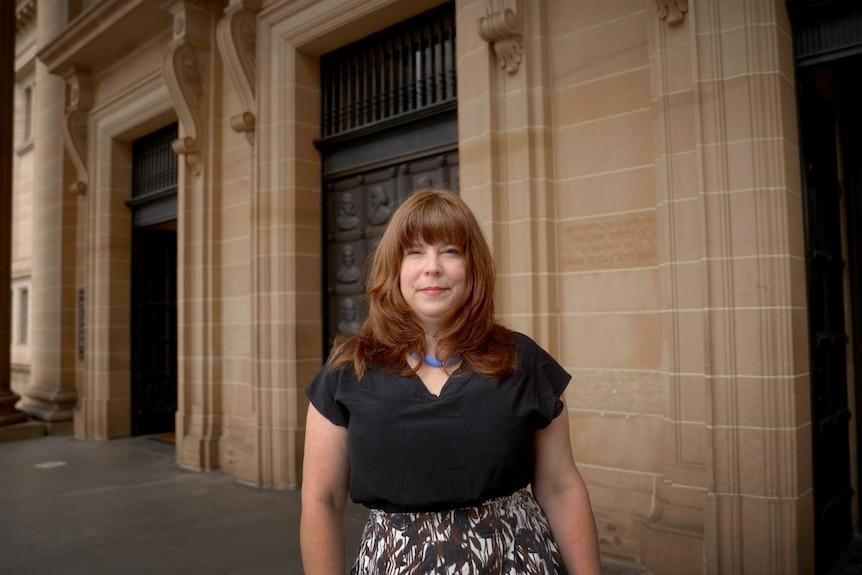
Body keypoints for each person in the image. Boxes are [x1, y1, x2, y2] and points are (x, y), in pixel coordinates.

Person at [301, 189, 602, 574]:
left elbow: (561, 488)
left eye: (450, 251)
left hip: (515, 561)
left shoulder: (523, 361)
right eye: (414, 251)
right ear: (394, 267)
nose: (432, 267)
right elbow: (320, 500)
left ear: (472, 266)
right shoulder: (348, 370)